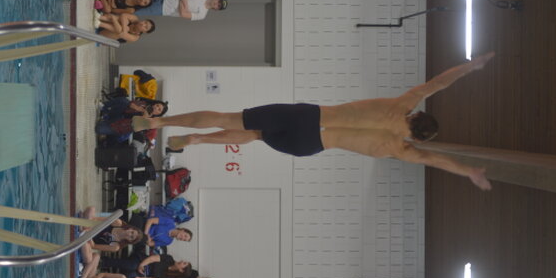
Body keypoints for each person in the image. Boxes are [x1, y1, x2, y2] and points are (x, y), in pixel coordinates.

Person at [132, 53, 496, 190]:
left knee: (230, 118)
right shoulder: (402, 149)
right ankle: (197, 142)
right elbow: (434, 160)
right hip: (309, 145)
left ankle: (162, 124)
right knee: (256, 135)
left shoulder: (401, 106)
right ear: (418, 136)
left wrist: (472, 67)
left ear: (416, 115)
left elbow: (437, 84)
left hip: (309, 116)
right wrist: (468, 171)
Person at [134, 0, 227, 21]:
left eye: (218, 6)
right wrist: (185, 5)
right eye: (218, 1)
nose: (216, 4)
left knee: (137, 12)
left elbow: (183, 14)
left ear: (216, 9)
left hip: (164, 9)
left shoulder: (202, 15)